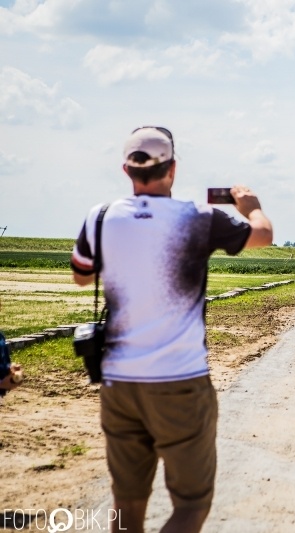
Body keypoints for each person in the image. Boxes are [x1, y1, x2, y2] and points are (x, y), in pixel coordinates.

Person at [70, 126, 273, 533]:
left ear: (126, 169)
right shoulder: (198, 217)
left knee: (126, 504)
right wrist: (250, 205)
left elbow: (81, 275)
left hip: (119, 383)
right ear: (173, 169)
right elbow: (264, 236)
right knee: (191, 504)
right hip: (180, 380)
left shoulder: (101, 216)